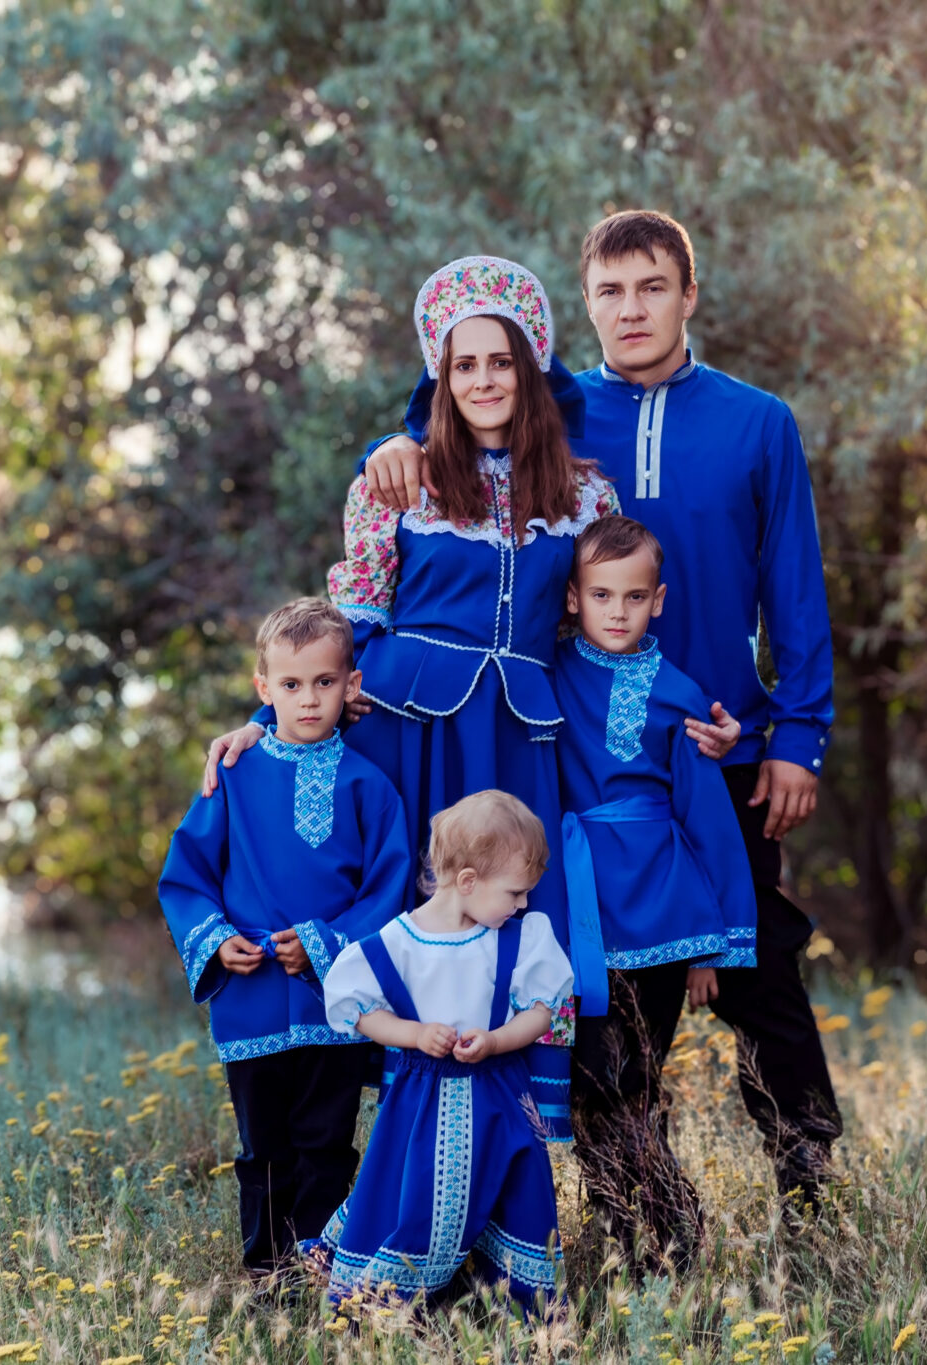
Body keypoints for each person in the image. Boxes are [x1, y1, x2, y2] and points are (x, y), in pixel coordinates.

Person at [358, 211, 843, 1206]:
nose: (631, 310)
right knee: (600, 1000)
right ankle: (642, 1204)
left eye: (652, 287)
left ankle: (811, 1185)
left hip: (715, 742)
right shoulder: (559, 417)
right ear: (584, 306)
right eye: (610, 293)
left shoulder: (757, 422)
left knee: (758, 971)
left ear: (687, 294)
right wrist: (390, 449)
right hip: (577, 758)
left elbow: (794, 589)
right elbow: (463, 429)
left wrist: (797, 736)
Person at [198, 255, 735, 1137]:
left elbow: (606, 624)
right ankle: (401, 1152)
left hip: (520, 744)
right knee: (409, 912)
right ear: (440, 377)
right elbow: (346, 624)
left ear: (531, 368)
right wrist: (268, 723)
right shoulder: (397, 481)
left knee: (509, 915)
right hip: (405, 737)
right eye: (464, 364)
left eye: (501, 361)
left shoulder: (585, 492)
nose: (484, 379)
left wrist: (684, 719)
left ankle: (500, 1142)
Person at [157, 598, 415, 1281]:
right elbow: (186, 875)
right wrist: (215, 940)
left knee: (327, 1144)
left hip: (336, 1003)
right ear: (263, 688)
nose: (308, 699)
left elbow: (387, 894)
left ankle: (324, 1273)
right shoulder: (232, 774)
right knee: (262, 1149)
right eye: (292, 684)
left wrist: (324, 944)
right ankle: (267, 1280)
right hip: (251, 1000)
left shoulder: (371, 787)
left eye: (324, 682)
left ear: (351, 685)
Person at [553, 514, 757, 1266]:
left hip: (665, 917)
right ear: (573, 598)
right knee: (585, 1086)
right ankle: (626, 1236)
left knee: (636, 1081)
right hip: (579, 912)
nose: (617, 611)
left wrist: (710, 947)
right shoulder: (546, 673)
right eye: (601, 595)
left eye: (634, 597)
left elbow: (708, 820)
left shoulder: (679, 694)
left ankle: (676, 1236)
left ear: (658, 600)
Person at [312, 790, 574, 1312]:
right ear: (469, 881)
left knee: (518, 1192)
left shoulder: (519, 938)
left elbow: (544, 1011)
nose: (523, 904)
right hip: (422, 1101)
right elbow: (356, 1008)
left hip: (500, 1094)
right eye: (516, 892)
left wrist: (497, 1039)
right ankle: (390, 1299)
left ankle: (520, 1304)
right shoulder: (397, 943)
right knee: (420, 1196)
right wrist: (413, 1034)